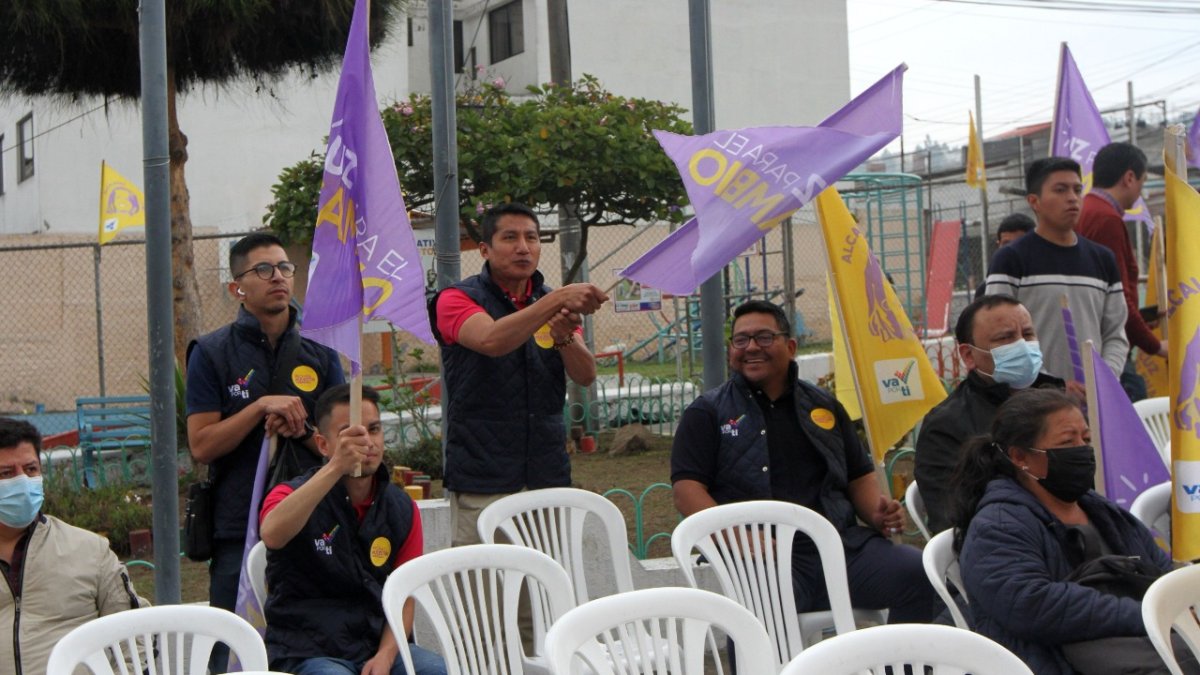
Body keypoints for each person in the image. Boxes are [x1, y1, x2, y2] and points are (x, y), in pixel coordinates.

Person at [671, 300, 935, 627]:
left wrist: (875, 511)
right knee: (756, 610)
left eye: (764, 337)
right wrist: (739, 539)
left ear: (791, 346)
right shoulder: (707, 412)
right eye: (741, 340)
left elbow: (858, 474)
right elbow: (687, 490)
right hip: (762, 558)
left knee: (917, 573)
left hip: (839, 548)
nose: (751, 347)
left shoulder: (824, 405)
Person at [951, 388, 1196, 675]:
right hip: (1053, 660)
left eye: (1086, 439)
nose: (1082, 450)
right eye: (1068, 442)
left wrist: (1183, 606)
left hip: (1135, 640)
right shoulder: (997, 526)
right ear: (1020, 457)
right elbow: (1033, 605)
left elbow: (1155, 565)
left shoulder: (1097, 508)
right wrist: (1149, 615)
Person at [186, 232, 344, 670]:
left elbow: (336, 443)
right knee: (233, 648)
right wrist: (258, 408)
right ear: (238, 287)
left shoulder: (321, 347)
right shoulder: (211, 352)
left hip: (307, 516)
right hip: (237, 524)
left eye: (285, 268)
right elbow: (201, 444)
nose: (278, 277)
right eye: (263, 270)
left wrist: (300, 426)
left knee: (309, 641)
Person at [429, 203, 608, 547]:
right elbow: (491, 339)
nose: (523, 247)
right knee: (486, 595)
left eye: (532, 238)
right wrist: (554, 301)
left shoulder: (550, 300)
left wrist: (564, 338)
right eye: (510, 237)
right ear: (484, 249)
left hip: (546, 478)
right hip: (483, 481)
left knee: (544, 593)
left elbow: (586, 375)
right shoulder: (455, 299)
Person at [259, 385, 447, 675]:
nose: (366, 442)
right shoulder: (290, 493)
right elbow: (271, 533)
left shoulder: (401, 507)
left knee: (436, 669)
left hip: (376, 644)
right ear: (323, 444)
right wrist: (336, 467)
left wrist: (385, 655)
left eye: (373, 430)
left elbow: (405, 593)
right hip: (306, 650)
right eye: (350, 434)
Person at [0, 418, 149, 675]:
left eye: (31, 469)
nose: (23, 482)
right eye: (6, 473)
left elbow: (134, 639)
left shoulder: (90, 551)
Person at [915, 295, 1064, 533]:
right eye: (1005, 338)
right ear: (968, 355)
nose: (1022, 346)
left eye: (1027, 334)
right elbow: (953, 521)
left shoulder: (1059, 404)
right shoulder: (947, 426)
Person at [984, 157, 1128, 399]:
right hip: (1034, 404)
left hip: (1096, 401)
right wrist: (1053, 386)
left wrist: (1104, 381)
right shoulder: (1011, 259)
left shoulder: (1103, 260)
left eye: (1077, 189)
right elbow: (998, 334)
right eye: (1060, 190)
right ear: (1034, 202)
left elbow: (1115, 334)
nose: (1072, 198)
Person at [1077, 142, 1165, 402]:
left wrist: (1142, 316)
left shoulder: (1087, 210)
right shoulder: (1107, 219)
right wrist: (1156, 345)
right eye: (1142, 182)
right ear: (1129, 178)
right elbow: (1117, 296)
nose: (1140, 193)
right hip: (1111, 348)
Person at [974, 213, 1034, 300]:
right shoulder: (986, 289)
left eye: (1019, 244)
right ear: (998, 245)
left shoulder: (1050, 281)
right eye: (1006, 244)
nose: (1012, 251)